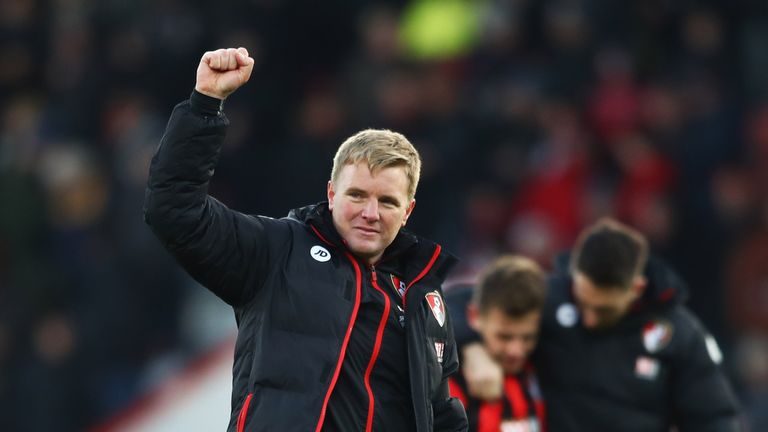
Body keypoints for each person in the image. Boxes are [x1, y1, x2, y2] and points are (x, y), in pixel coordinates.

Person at [143, 47, 467, 432]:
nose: (370, 213)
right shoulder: (279, 250)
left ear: (408, 211)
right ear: (331, 195)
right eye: (357, 195)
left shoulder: (425, 301)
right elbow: (174, 210)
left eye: (386, 201)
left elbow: (440, 415)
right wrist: (205, 104)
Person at [452, 218, 743, 431]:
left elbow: (714, 417)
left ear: (636, 289)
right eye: (584, 303)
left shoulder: (678, 334)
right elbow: (454, 306)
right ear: (576, 276)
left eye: (603, 310)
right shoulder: (553, 298)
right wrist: (472, 345)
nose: (589, 318)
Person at [446, 255, 547, 431]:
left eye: (527, 338)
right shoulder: (445, 384)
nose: (516, 351)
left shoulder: (546, 361)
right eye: (504, 337)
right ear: (474, 316)